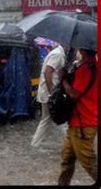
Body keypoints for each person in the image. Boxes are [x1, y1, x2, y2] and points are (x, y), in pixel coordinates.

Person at [57, 48, 97, 185]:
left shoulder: (86, 69)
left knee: (89, 163)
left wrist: (63, 79)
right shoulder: (93, 67)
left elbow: (74, 94)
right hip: (79, 122)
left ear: (81, 50)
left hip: (83, 125)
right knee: (67, 159)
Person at [31, 44, 70, 147]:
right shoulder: (58, 54)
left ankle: (35, 144)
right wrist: (51, 91)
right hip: (50, 94)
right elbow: (48, 71)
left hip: (47, 93)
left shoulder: (57, 52)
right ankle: (70, 147)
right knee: (62, 120)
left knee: (46, 120)